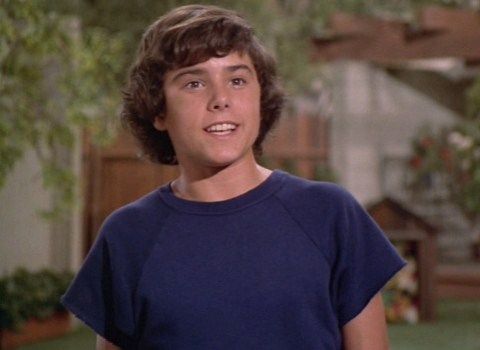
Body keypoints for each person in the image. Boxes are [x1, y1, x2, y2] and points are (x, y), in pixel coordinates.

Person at [62, 4, 406, 350]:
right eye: (194, 83)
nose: (221, 99)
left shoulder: (330, 214)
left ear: (260, 96)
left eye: (237, 80)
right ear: (159, 110)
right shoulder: (127, 236)